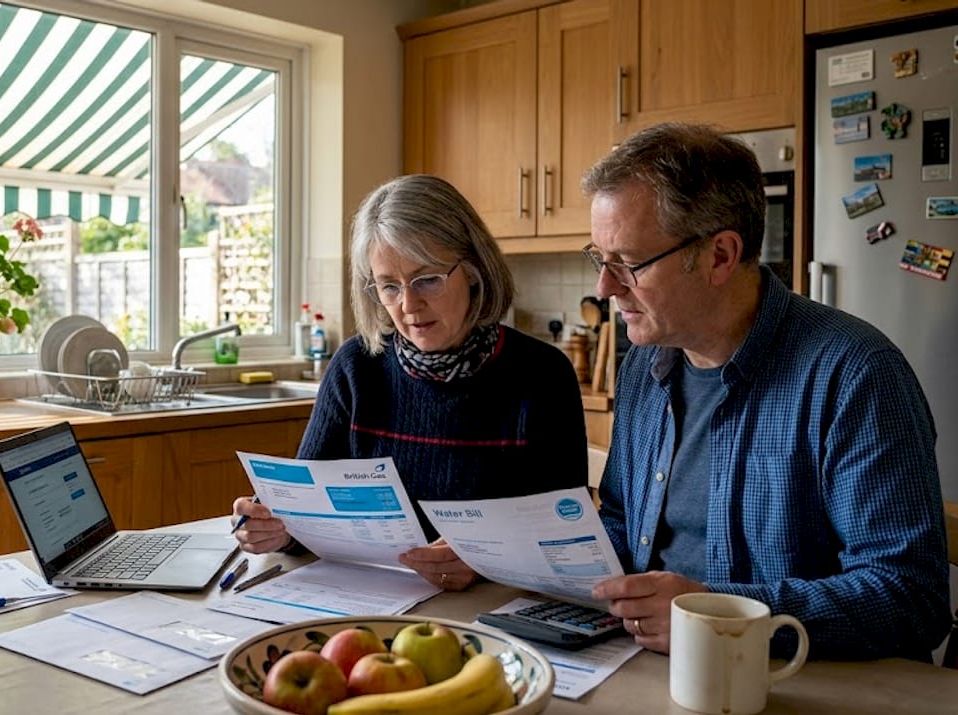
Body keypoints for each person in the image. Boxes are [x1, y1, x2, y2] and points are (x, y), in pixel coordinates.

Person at [582, 123, 948, 661]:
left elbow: (910, 596)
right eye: (600, 259)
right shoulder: (644, 365)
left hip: (799, 683)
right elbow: (619, 520)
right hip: (651, 666)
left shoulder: (856, 375)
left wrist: (718, 617)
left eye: (629, 264)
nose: (605, 287)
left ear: (720, 256)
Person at [231, 174, 588, 590]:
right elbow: (305, 514)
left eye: (427, 279)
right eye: (388, 286)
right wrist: (275, 529)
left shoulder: (542, 375)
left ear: (474, 270)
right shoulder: (356, 368)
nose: (408, 304)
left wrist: (482, 562)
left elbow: (566, 539)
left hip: (488, 606)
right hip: (369, 598)